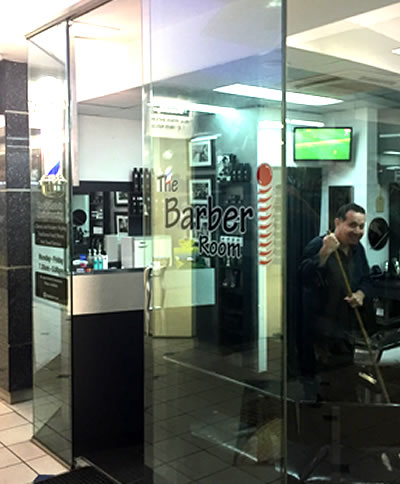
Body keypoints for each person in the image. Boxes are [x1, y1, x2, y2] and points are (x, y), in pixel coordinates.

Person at [299, 203, 376, 400]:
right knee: (319, 384)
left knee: (343, 379)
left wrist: (361, 294)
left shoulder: (358, 249)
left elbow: (367, 280)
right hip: (320, 331)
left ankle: (344, 418)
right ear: (337, 222)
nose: (358, 231)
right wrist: (325, 252)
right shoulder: (318, 245)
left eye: (361, 226)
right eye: (352, 225)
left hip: (345, 329)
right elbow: (303, 277)